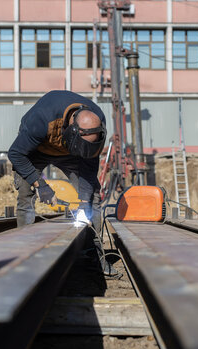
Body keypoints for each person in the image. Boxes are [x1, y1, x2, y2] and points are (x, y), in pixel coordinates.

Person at [8, 90, 117, 276]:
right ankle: (24, 256)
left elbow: (89, 166)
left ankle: (95, 257)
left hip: (71, 153)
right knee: (26, 194)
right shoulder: (41, 121)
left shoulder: (97, 121)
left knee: (93, 198)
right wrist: (40, 185)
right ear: (71, 129)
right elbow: (16, 154)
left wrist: (84, 202)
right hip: (37, 149)